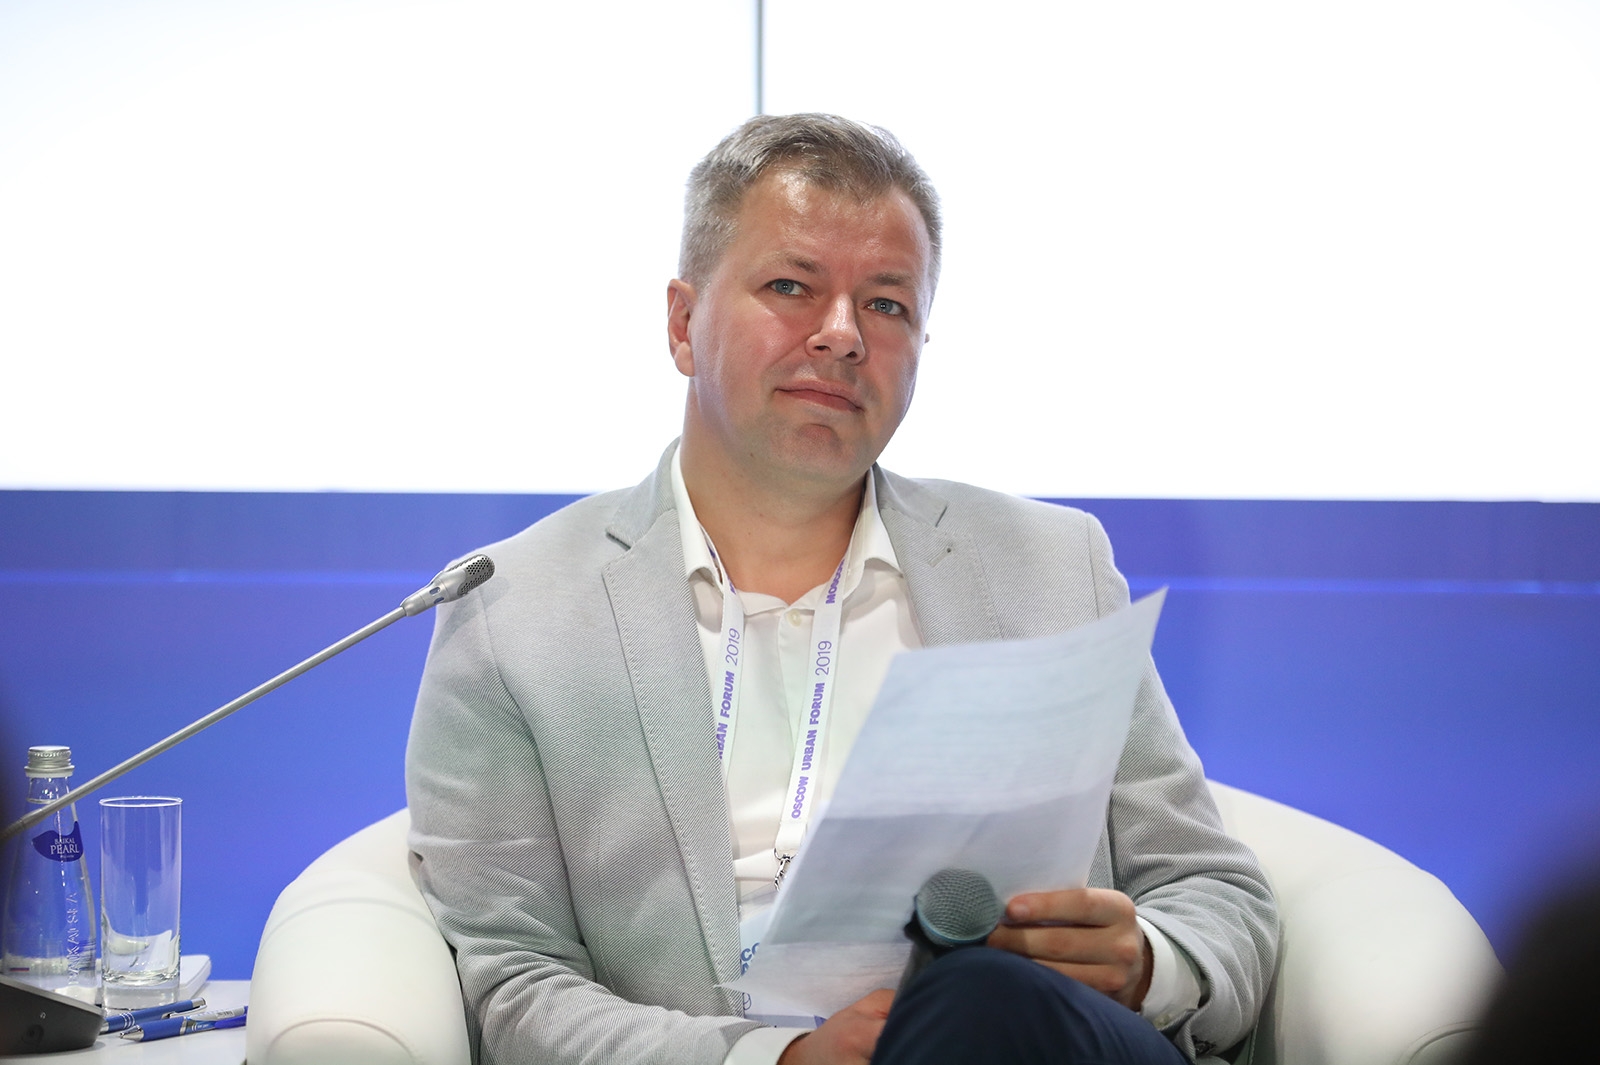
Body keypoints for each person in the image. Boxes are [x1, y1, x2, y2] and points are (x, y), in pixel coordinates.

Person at [405, 113, 1277, 1065]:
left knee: (982, 994)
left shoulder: (1050, 565)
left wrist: (1147, 960)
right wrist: (774, 1059)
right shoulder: (514, 612)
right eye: (792, 287)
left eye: (887, 305)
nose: (842, 335)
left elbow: (1214, 890)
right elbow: (514, 979)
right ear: (682, 324)